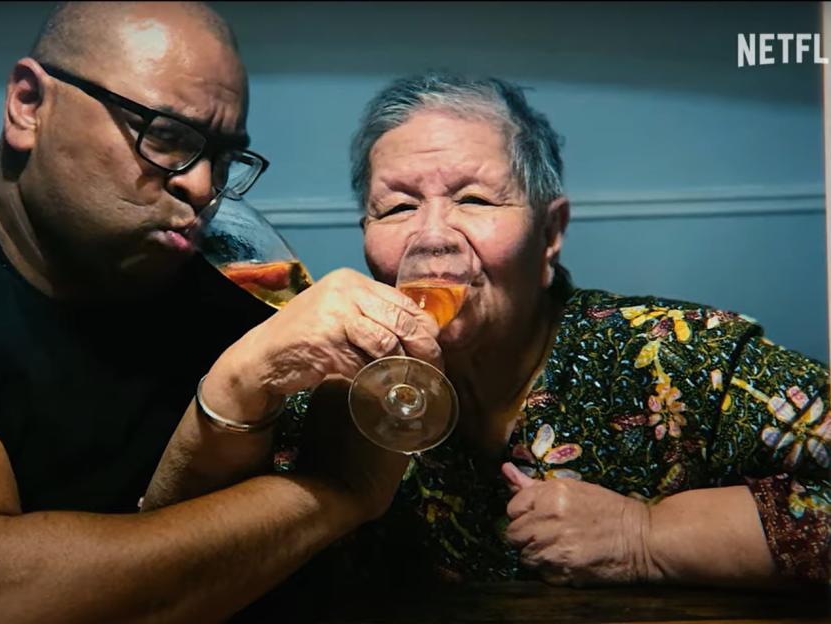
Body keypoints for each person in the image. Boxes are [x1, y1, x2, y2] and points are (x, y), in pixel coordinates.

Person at [0, 3, 445, 622]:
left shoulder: (220, 278)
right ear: (28, 104)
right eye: (164, 135)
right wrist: (334, 496)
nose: (201, 186)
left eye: (223, 158)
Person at [150, 70, 831, 603]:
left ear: (551, 234)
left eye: (475, 200)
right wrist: (243, 379)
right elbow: (177, 572)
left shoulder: (685, 356)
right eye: (397, 206)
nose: (434, 235)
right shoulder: (336, 395)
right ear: (364, 239)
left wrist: (645, 538)